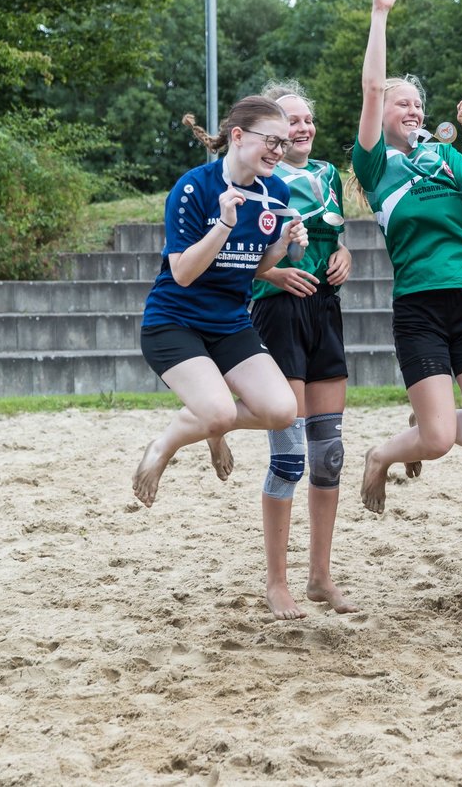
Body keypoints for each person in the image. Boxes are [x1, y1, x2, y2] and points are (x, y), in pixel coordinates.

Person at [354, 0, 462, 514]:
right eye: (403, 103)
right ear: (385, 115)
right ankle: (380, 454)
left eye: (418, 103)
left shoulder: (445, 156)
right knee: (438, 442)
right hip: (419, 306)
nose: (413, 109)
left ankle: (426, 418)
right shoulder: (374, 166)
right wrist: (380, 11)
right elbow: (372, 86)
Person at [132, 95, 308, 509]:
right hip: (173, 322)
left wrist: (282, 246)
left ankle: (215, 424)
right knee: (218, 413)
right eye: (272, 141)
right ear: (238, 135)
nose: (278, 151)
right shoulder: (194, 187)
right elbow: (183, 273)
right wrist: (224, 224)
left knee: (282, 409)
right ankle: (163, 447)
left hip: (230, 322)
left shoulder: (276, 191)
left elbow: (253, 265)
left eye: (283, 144)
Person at [248, 80, 357, 619]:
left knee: (328, 454)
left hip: (324, 310)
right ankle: (276, 582)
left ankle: (320, 576)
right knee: (288, 454)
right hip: (279, 309)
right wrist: (272, 271)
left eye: (308, 119)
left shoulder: (327, 176)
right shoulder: (257, 179)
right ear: (271, 131)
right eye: (292, 120)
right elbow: (236, 258)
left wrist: (346, 256)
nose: (303, 128)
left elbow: (334, 236)